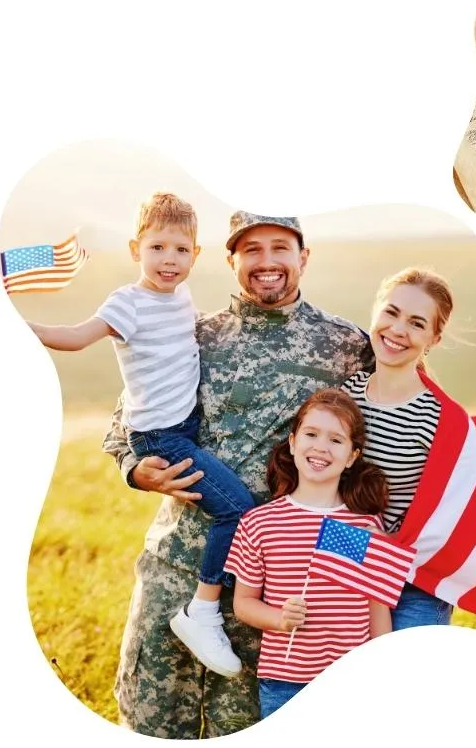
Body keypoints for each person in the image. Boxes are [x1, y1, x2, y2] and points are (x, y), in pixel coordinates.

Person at [101, 210, 374, 738]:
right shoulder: (187, 333)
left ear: (304, 257)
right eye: (251, 250)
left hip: (272, 587)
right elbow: (123, 426)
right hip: (176, 570)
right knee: (149, 725)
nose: (266, 262)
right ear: (231, 261)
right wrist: (139, 472)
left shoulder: (345, 345)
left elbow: (381, 437)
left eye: (280, 247)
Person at [27, 192, 255, 677]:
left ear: (195, 255)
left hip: (184, 428)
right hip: (161, 438)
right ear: (136, 250)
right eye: (156, 248)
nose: (168, 260)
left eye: (179, 249)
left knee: (232, 506)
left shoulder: (180, 298)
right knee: (236, 508)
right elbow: (74, 336)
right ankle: (202, 609)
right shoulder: (127, 303)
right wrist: (19, 326)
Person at [225, 388, 391, 719]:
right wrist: (278, 618)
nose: (320, 447)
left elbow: (377, 608)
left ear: (352, 457)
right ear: (292, 442)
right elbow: (243, 603)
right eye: (311, 434)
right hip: (286, 683)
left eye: (336, 440)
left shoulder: (365, 526)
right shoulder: (260, 523)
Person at [342, 267, 454, 629]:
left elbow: (451, 512)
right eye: (391, 312)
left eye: (417, 323)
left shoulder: (440, 417)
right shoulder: (344, 397)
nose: (398, 330)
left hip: (414, 584)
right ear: (376, 311)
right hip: (344, 574)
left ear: (434, 339)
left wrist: (385, 549)